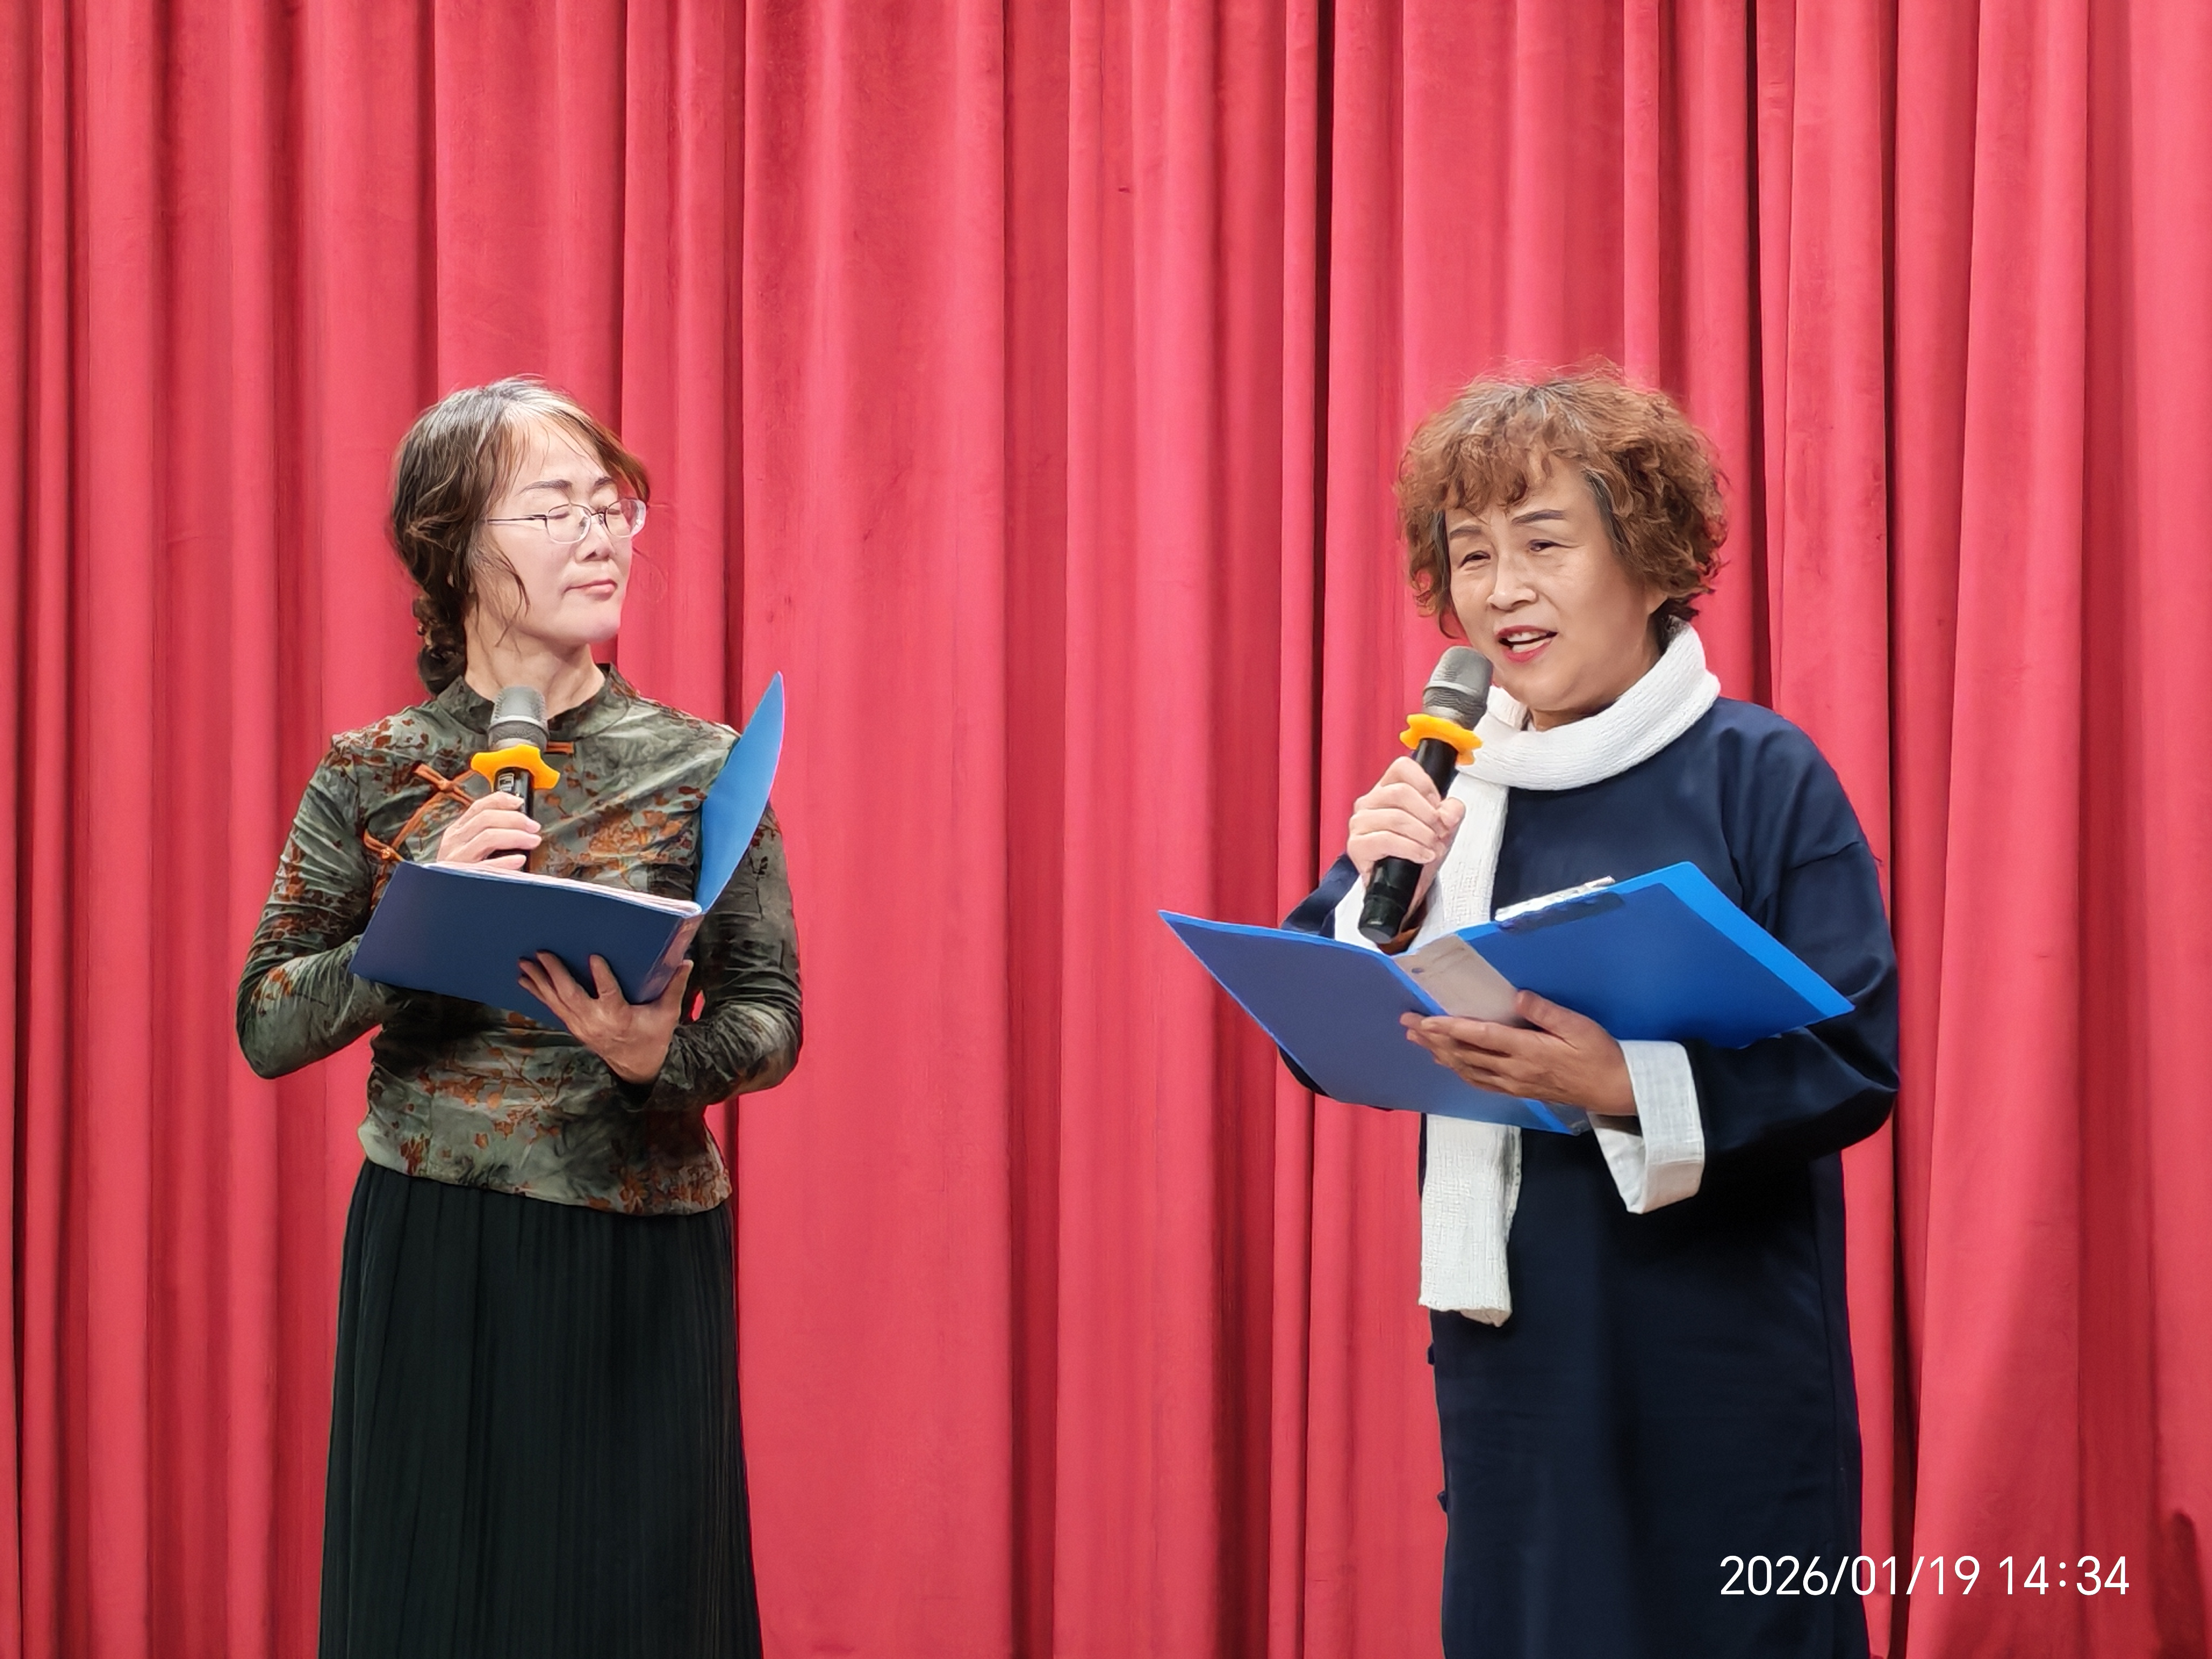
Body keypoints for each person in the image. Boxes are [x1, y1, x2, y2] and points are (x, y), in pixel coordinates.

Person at [1284, 365, 1897, 1658]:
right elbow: (1317, 1024)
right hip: (1512, 1357)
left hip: (1722, 1348)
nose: (1500, 588)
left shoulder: (1758, 772)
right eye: (1470, 554)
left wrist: (1621, 1085)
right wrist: (1380, 908)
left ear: (1649, 557)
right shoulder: (1443, 791)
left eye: (1541, 543)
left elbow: (1851, 1059)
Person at [236, 377, 800, 1659]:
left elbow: (769, 1015)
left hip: (640, 1247)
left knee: (637, 1614)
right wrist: (417, 919)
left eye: (613, 507)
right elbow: (267, 1023)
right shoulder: (371, 769)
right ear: (450, 548)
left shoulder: (703, 761)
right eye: (555, 509)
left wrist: (665, 1057)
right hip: (436, 1239)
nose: (601, 537)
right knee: (435, 1605)